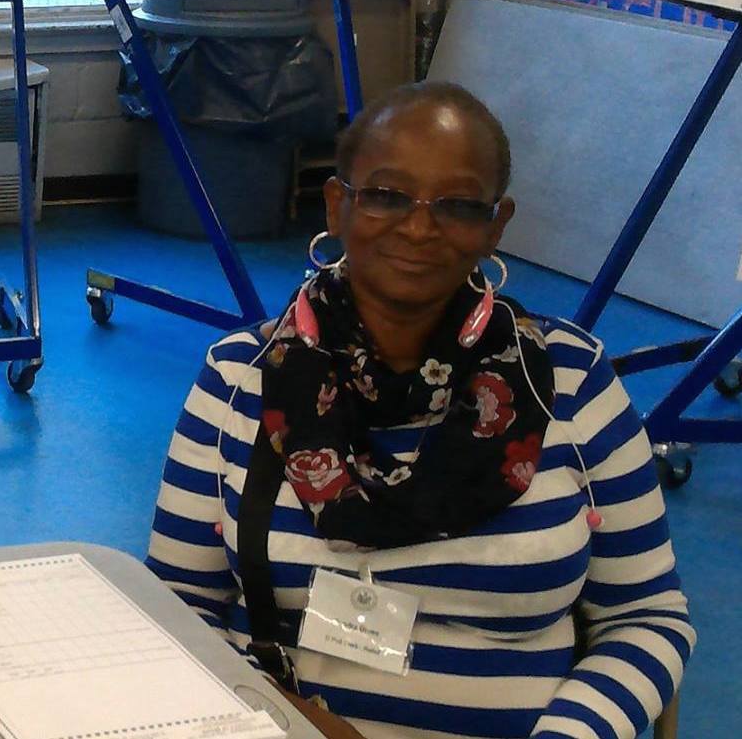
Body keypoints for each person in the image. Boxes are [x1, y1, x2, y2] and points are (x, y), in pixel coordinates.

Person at [145, 82, 693, 739]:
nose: (418, 226)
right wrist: (275, 719)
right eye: (385, 194)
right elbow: (175, 611)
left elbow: (648, 614)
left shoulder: (569, 381)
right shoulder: (242, 376)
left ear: (496, 225)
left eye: (458, 205)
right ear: (337, 205)